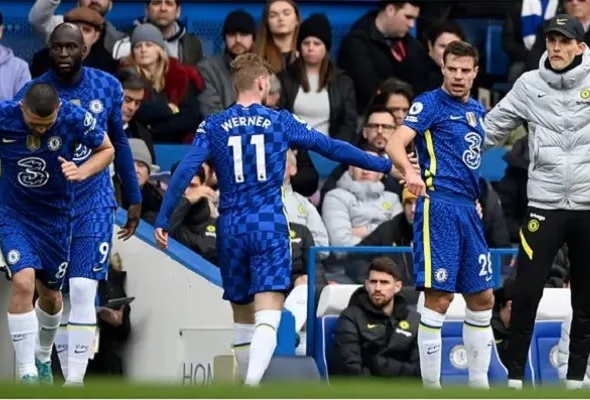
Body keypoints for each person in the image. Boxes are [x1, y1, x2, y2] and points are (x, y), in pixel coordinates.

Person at [153, 53, 404, 387]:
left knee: (242, 316)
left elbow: (185, 170)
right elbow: (331, 147)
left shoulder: (213, 124)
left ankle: (247, 380)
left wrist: (162, 217)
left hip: (230, 227)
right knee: (268, 314)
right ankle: (252, 385)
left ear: (233, 85)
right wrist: (386, 165)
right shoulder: (279, 120)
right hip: (268, 225)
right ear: (262, 83)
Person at [481, 14, 590, 390]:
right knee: (524, 294)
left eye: (564, 41)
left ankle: (574, 384)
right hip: (544, 205)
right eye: (551, 40)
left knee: (585, 301)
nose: (557, 48)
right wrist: (439, 153)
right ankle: (514, 381)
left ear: (580, 45)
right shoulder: (529, 85)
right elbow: (487, 131)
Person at [0, 83, 114, 383]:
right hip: (12, 211)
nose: (40, 131)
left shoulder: (74, 118)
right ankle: (27, 372)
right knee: (24, 282)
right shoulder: (0, 114)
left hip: (56, 216)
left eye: (47, 124)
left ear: (58, 112)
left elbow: (107, 148)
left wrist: (84, 170)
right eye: (34, 124)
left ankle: (41, 355)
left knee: (51, 297)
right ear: (21, 109)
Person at [14, 22, 142, 386]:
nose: (65, 54)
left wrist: (132, 196)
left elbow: (118, 141)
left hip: (94, 200)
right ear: (49, 51)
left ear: (85, 51)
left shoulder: (107, 86)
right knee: (51, 295)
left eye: (72, 48)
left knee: (84, 288)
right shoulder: (32, 91)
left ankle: (74, 381)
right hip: (47, 205)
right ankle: (41, 360)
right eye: (58, 48)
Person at [385, 40, 494, 390]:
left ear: (475, 72)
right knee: (440, 298)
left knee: (482, 297)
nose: (459, 76)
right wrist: (410, 172)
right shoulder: (429, 103)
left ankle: (479, 385)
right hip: (439, 206)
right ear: (443, 69)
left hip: (468, 209)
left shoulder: (478, 110)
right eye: (453, 69)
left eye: (466, 70)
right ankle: (432, 389)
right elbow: (395, 142)